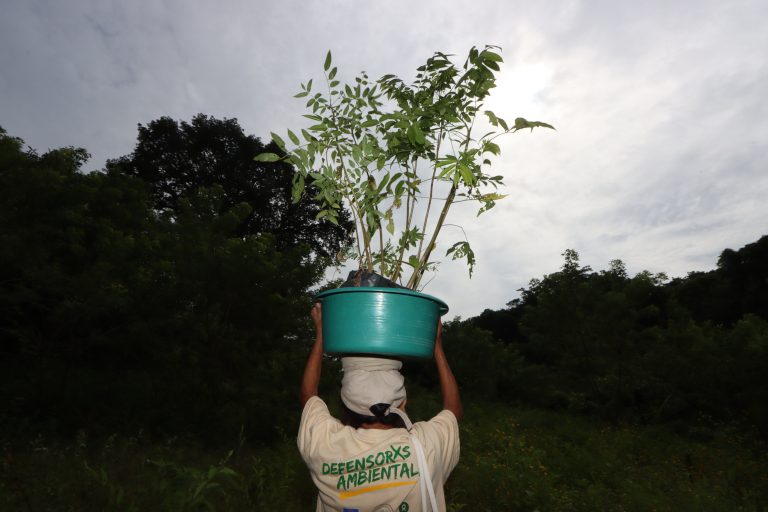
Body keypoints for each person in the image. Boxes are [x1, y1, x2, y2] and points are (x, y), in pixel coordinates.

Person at [298, 303, 462, 512]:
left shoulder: (326, 445)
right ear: (402, 404)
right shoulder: (425, 447)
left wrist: (320, 335)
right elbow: (454, 410)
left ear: (345, 405)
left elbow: (308, 397)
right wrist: (437, 345)